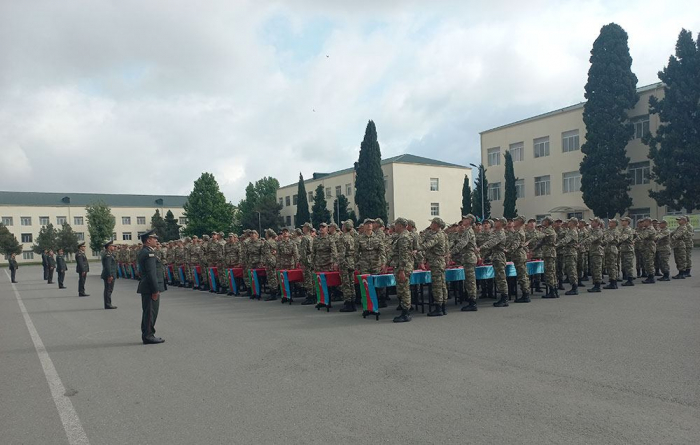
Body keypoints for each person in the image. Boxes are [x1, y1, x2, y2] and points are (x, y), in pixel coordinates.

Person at [137, 229, 166, 344]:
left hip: (148, 287)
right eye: (154, 238)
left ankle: (147, 334)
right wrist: (155, 290)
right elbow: (151, 274)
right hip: (150, 288)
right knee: (150, 313)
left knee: (148, 312)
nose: (156, 240)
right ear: (148, 240)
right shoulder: (149, 253)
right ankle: (148, 335)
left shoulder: (146, 251)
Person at [421, 217, 449, 316]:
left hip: (436, 262)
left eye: (432, 223)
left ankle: (438, 308)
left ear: (437, 224)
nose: (431, 224)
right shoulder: (443, 234)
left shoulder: (438, 235)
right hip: (440, 261)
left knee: (437, 285)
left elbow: (429, 244)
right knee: (442, 284)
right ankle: (443, 306)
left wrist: (418, 248)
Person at [480, 217, 509, 307]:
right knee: (498, 278)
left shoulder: (501, 233)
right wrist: (483, 256)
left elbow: (492, 243)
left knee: (501, 278)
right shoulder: (496, 232)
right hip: (495, 256)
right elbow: (491, 247)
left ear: (501, 223)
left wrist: (480, 248)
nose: (495, 222)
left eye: (497, 221)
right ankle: (503, 297)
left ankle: (504, 298)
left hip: (499, 257)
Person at [390, 217, 413, 323]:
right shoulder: (403, 236)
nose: (394, 226)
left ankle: (406, 313)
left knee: (404, 290)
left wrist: (402, 270)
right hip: (402, 266)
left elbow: (403, 255)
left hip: (403, 267)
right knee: (403, 289)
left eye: (395, 225)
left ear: (399, 225)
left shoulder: (403, 237)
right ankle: (405, 311)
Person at [453, 214, 478, 311]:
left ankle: (473, 303)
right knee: (469, 280)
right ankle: (471, 300)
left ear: (470, 220)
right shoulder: (467, 231)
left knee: (470, 281)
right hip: (467, 258)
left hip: (469, 258)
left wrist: (451, 252)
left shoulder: (468, 231)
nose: (463, 220)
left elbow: (462, 243)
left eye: (465, 218)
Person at [338, 220, 358, 312]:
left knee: (346, 283)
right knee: (352, 282)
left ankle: (348, 303)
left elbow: (342, 253)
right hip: (351, 261)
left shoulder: (342, 238)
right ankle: (353, 301)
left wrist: (340, 264)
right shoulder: (352, 237)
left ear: (345, 227)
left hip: (345, 262)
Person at [586, 218, 605, 293]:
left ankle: (597, 286)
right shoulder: (592, 231)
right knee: (593, 269)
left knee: (597, 269)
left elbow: (591, 239)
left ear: (597, 223)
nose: (591, 223)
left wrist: (581, 244)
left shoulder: (598, 231)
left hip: (597, 252)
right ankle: (595, 284)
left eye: (593, 222)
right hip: (593, 251)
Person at [618, 217, 636, 286]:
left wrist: (615, 241)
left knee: (629, 265)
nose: (622, 222)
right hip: (624, 249)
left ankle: (630, 280)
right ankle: (627, 277)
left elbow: (622, 238)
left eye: (623, 221)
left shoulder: (628, 230)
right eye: (621, 221)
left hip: (628, 249)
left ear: (627, 222)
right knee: (625, 264)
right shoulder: (623, 229)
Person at [101, 240, 118, 309]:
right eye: (112, 246)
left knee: (108, 289)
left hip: (110, 274)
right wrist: (109, 275)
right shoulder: (108, 255)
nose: (114, 247)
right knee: (108, 289)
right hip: (109, 275)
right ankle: (108, 304)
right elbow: (108, 266)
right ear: (109, 247)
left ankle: (108, 303)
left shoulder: (109, 254)